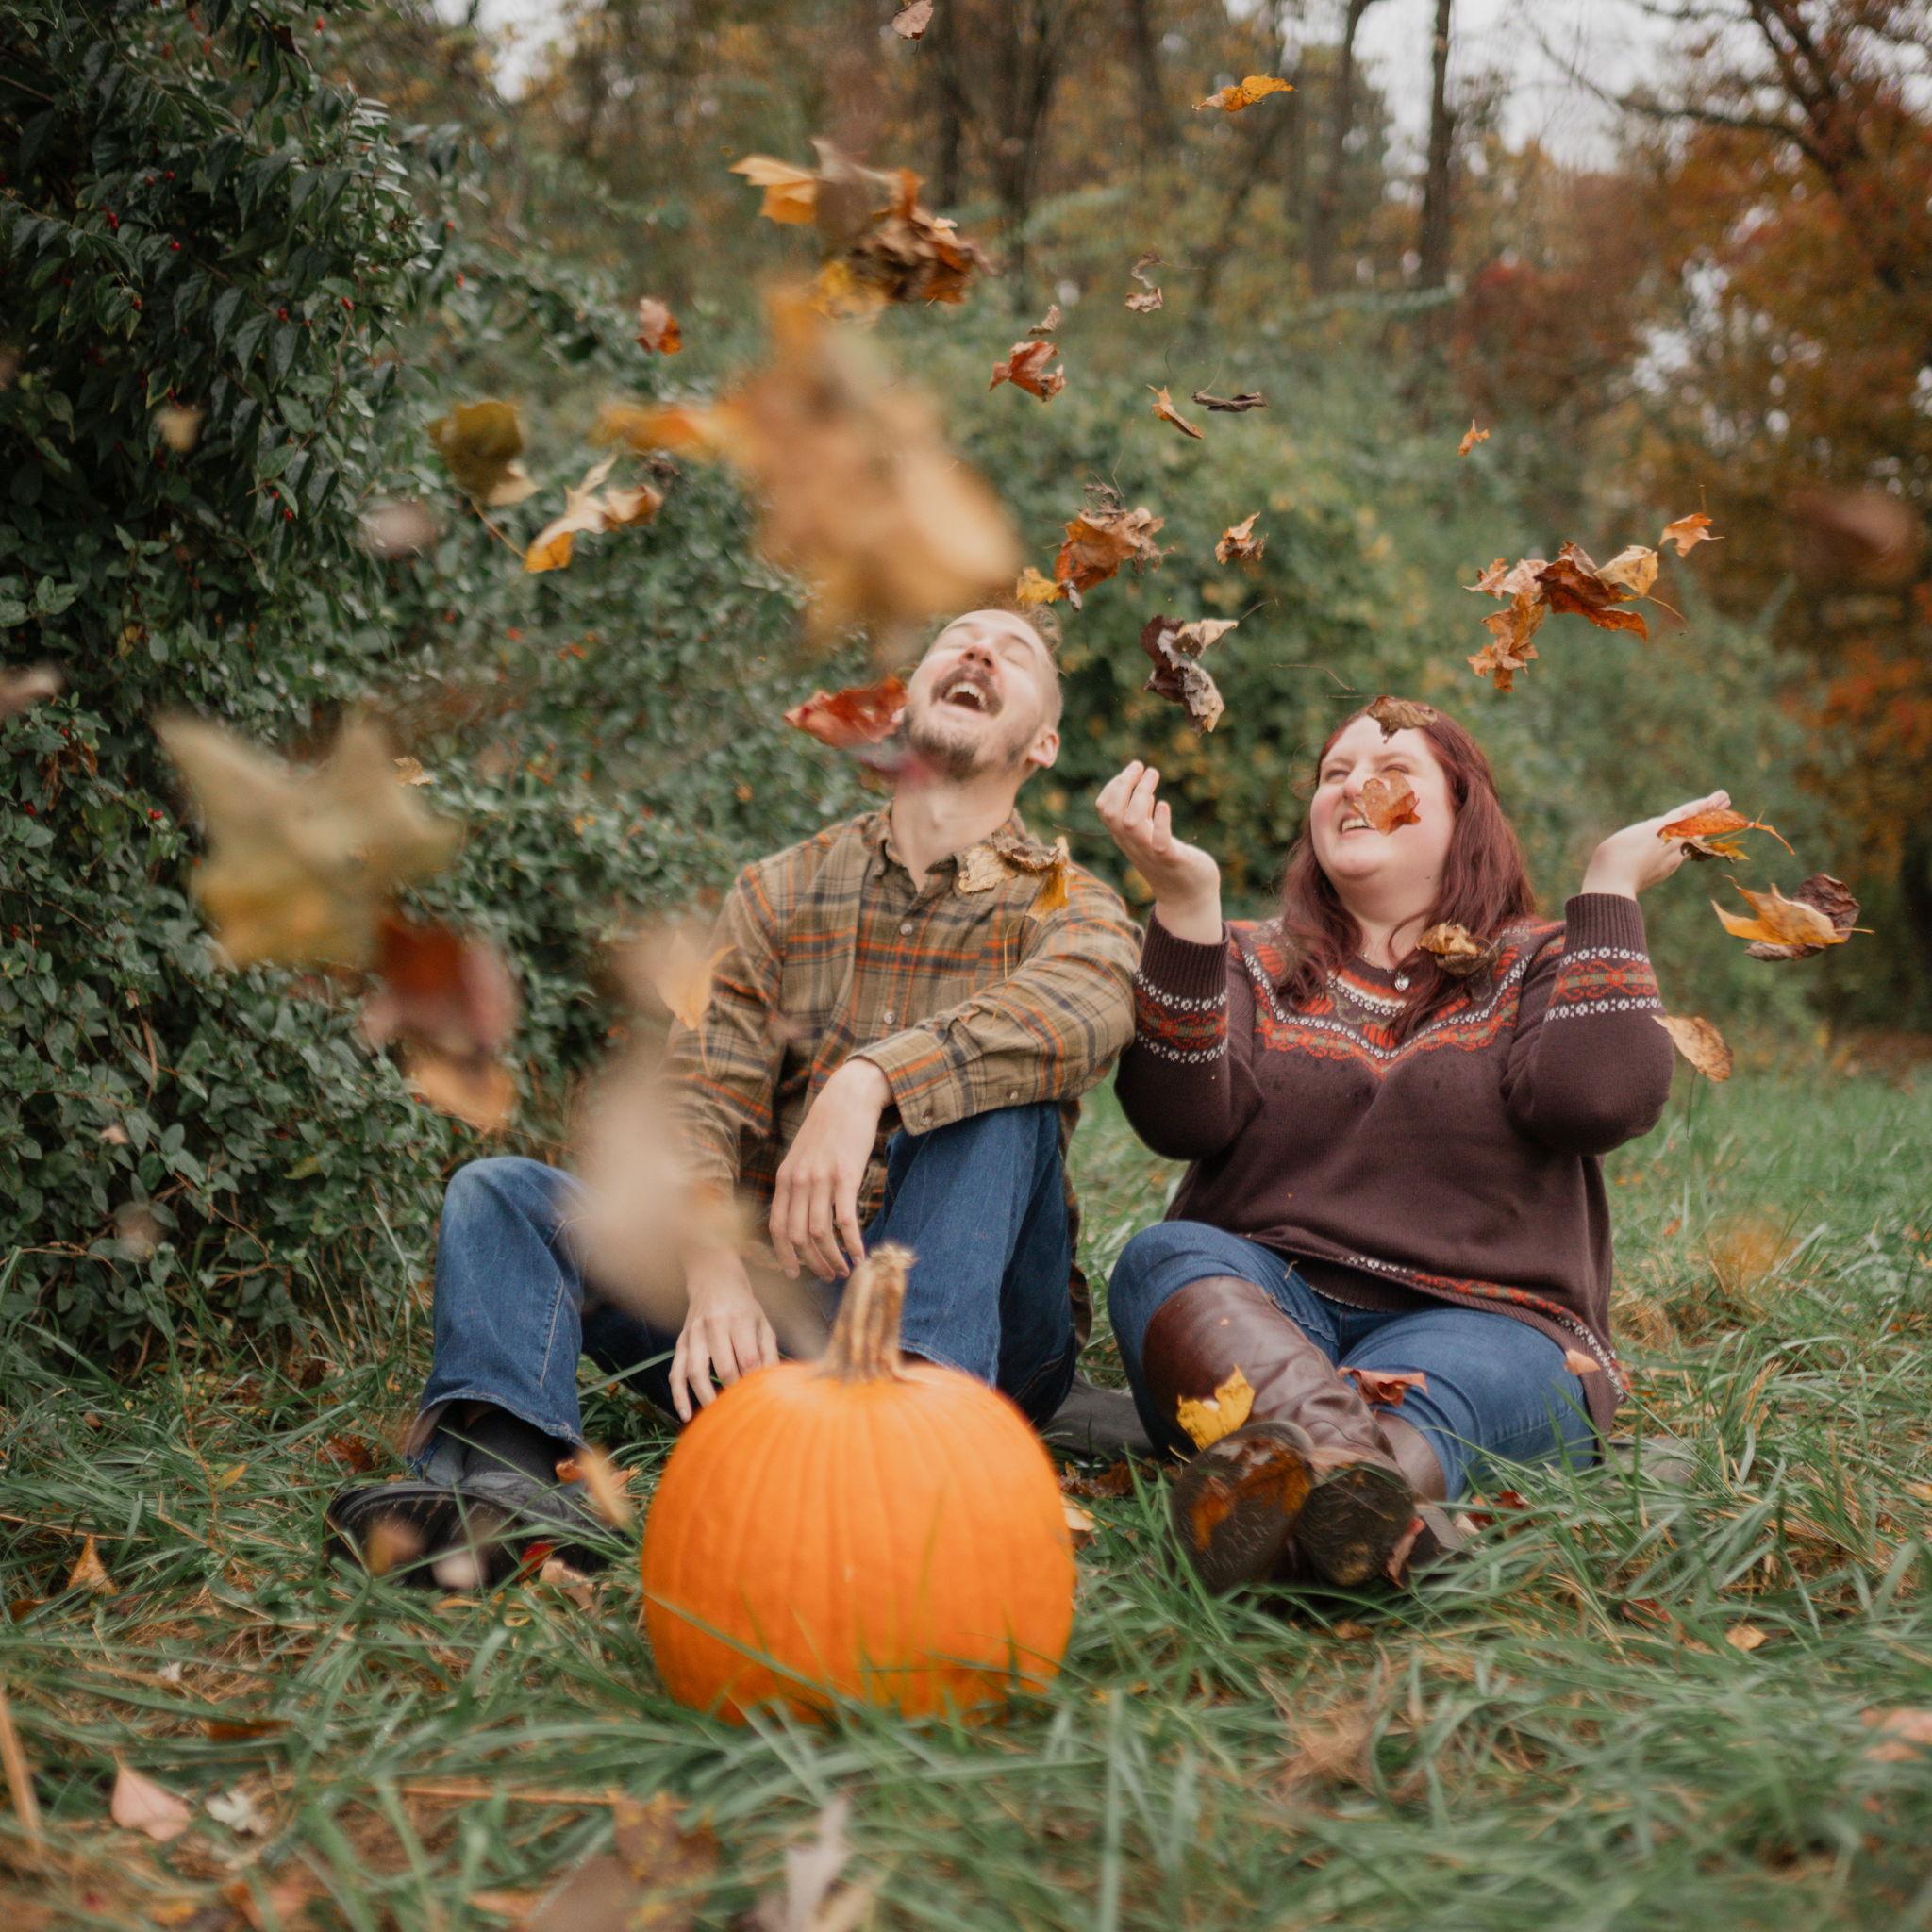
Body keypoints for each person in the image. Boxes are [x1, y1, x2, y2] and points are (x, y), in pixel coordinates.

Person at [326, 607, 1139, 1581]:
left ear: (1042, 741)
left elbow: (1088, 1006)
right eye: (956, 640)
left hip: (986, 1328)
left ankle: (906, 1468)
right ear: (899, 702)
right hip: (773, 1319)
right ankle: (502, 1478)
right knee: (502, 1193)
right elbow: (699, 1090)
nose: (977, 652)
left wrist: (868, 1078)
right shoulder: (780, 889)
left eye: (1012, 652)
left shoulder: (1069, 902)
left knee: (988, 1095)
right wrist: (710, 1263)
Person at [1096, 703, 1715, 1594]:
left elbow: (1599, 1102)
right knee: (1164, 1255)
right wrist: (1187, 907)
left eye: (1391, 769)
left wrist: (1610, 886)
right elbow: (1178, 1122)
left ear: (1464, 814)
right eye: (1334, 772)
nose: (1353, 787)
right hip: (1260, 1309)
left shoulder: (1537, 960)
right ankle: (1364, 1514)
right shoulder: (1248, 959)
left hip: (1491, 1324)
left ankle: (1311, 1516)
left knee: (1465, 1393)